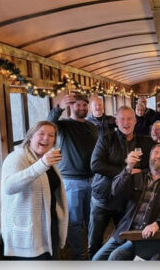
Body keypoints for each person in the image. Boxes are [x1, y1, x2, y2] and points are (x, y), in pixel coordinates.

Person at [93, 144, 160, 260]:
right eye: (155, 153)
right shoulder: (137, 175)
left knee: (115, 257)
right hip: (125, 231)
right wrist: (128, 168)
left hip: (146, 237)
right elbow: (115, 191)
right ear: (150, 157)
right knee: (96, 260)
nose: (158, 156)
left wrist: (158, 223)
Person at [89, 106, 155, 259]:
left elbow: (153, 165)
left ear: (135, 121)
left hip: (127, 201)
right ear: (116, 122)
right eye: (122, 119)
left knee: (122, 239)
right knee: (95, 241)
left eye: (130, 118)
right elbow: (96, 165)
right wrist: (126, 170)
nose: (126, 122)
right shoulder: (106, 139)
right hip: (103, 198)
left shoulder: (145, 142)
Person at [1, 121, 68, 260]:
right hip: (28, 232)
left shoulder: (46, 159)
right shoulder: (17, 157)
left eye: (51, 135)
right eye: (41, 134)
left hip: (49, 224)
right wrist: (42, 165)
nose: (46, 138)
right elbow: (8, 186)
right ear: (31, 136)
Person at [47, 93, 98, 260]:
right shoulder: (63, 126)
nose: (82, 108)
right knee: (74, 223)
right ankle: (79, 257)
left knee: (93, 220)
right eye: (77, 105)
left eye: (84, 105)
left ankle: (93, 253)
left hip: (93, 179)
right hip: (72, 181)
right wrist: (59, 108)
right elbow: (48, 124)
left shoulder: (91, 127)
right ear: (71, 106)